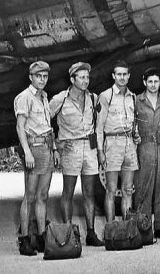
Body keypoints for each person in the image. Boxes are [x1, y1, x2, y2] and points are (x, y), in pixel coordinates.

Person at [49, 62, 104, 246]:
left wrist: (100, 150)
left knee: (89, 193)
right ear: (72, 79)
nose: (85, 81)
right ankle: (68, 233)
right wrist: (56, 145)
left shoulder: (93, 98)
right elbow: (44, 120)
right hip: (70, 148)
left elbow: (99, 123)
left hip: (89, 147)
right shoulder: (60, 99)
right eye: (81, 77)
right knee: (68, 192)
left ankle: (91, 233)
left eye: (87, 77)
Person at [14, 61, 59, 255]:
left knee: (43, 196)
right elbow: (20, 127)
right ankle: (24, 240)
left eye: (45, 76)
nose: (42, 80)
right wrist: (27, 152)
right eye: (38, 76)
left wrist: (55, 149)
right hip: (34, 147)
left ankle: (41, 238)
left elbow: (49, 126)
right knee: (30, 197)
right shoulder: (24, 97)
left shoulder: (43, 97)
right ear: (31, 77)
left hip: (47, 147)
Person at [133, 67, 160, 238]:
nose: (153, 85)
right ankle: (142, 227)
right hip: (144, 146)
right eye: (149, 81)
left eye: (156, 81)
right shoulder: (137, 100)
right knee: (143, 186)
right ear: (144, 82)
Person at [96, 61, 139, 223]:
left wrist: (136, 135)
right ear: (113, 76)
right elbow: (99, 127)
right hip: (112, 143)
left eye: (125, 74)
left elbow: (134, 123)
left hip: (129, 143)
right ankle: (111, 229)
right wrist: (100, 151)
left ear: (129, 76)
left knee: (128, 189)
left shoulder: (132, 97)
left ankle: (127, 229)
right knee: (111, 190)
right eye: (118, 74)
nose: (122, 77)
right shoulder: (106, 96)